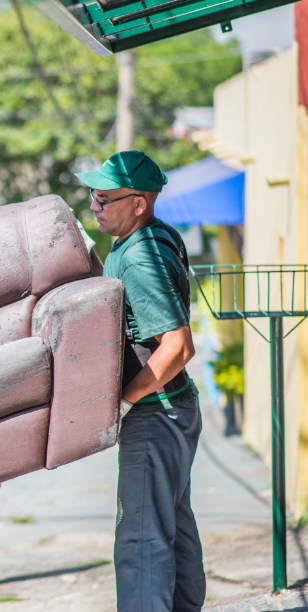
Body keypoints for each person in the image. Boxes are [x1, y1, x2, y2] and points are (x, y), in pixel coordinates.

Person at [76, 151, 206, 612]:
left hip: (156, 415)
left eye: (105, 197)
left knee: (142, 538)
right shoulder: (143, 240)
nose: (94, 204)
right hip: (172, 412)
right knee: (171, 523)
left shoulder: (142, 256)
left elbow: (177, 345)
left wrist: (125, 402)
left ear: (138, 203)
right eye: (93, 194)